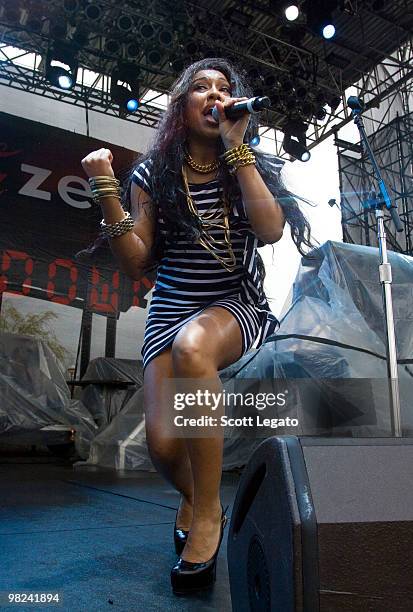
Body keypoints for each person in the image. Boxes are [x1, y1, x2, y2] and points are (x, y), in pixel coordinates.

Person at [81, 57, 314, 595]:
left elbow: (272, 230)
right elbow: (137, 263)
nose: (215, 95)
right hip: (170, 307)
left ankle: (208, 514)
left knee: (195, 348)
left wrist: (238, 149)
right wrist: (105, 190)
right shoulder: (153, 175)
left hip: (234, 303)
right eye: (201, 88)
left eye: (224, 89)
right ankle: (194, 496)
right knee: (164, 447)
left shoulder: (246, 160)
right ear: (182, 108)